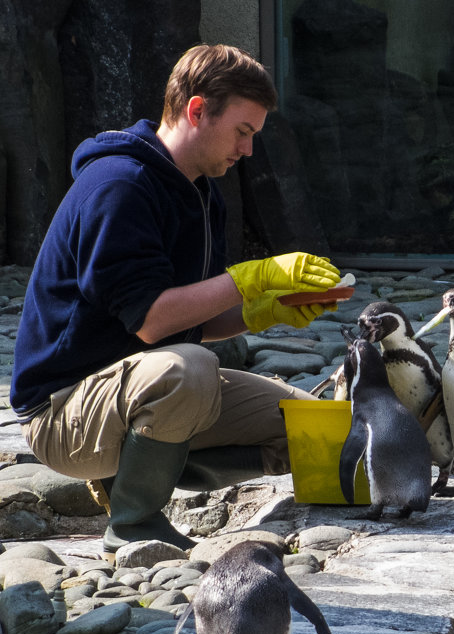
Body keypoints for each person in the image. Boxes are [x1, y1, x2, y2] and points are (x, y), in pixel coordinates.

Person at [11, 44, 342, 556]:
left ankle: (135, 472)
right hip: (62, 413)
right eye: (243, 132)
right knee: (191, 370)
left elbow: (190, 317)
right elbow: (151, 321)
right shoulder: (119, 186)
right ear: (196, 110)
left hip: (141, 387)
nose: (248, 151)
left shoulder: (199, 191)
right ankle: (134, 522)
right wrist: (252, 278)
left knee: (310, 426)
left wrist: (266, 310)